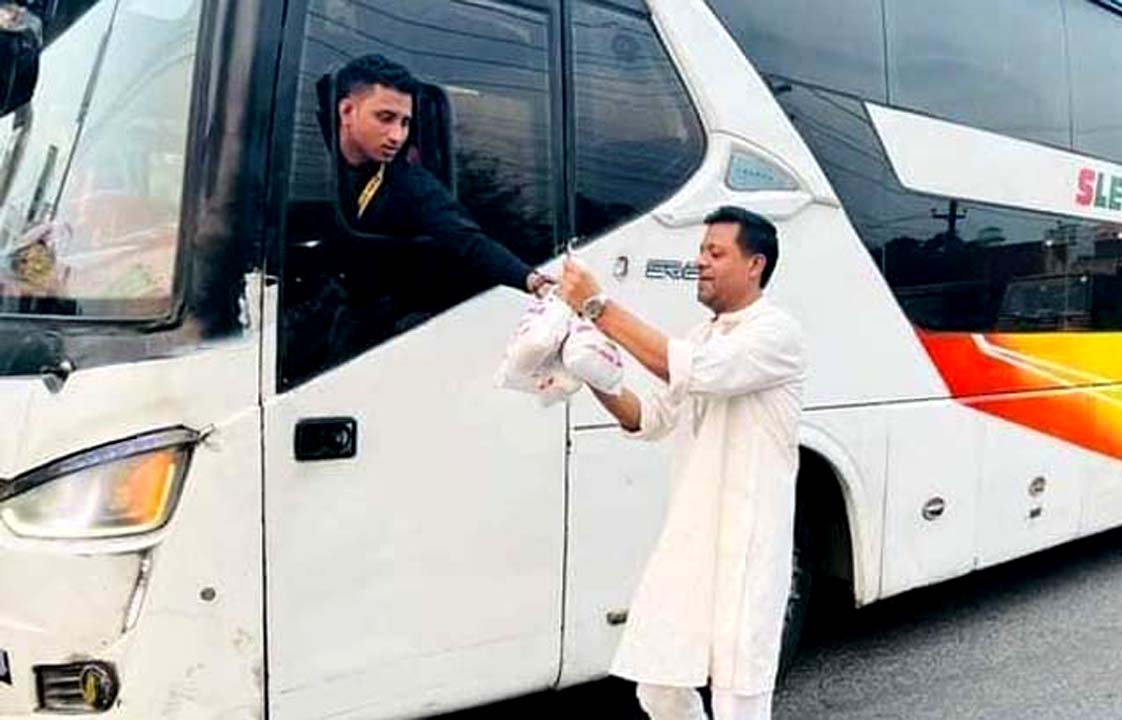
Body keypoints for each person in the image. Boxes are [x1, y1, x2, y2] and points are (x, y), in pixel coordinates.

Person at [559, 205, 805, 720]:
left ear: (755, 264)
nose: (701, 262)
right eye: (700, 251)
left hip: (746, 547)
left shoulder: (776, 333)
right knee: (659, 684)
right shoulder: (699, 336)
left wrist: (599, 307)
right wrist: (593, 374)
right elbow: (649, 419)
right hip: (691, 541)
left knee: (738, 699)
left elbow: (697, 372)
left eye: (715, 252)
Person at [328, 53, 551, 300]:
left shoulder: (408, 181)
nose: (397, 136)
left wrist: (532, 280)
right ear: (346, 111)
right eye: (386, 118)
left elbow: (467, 239)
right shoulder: (309, 147)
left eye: (405, 123)